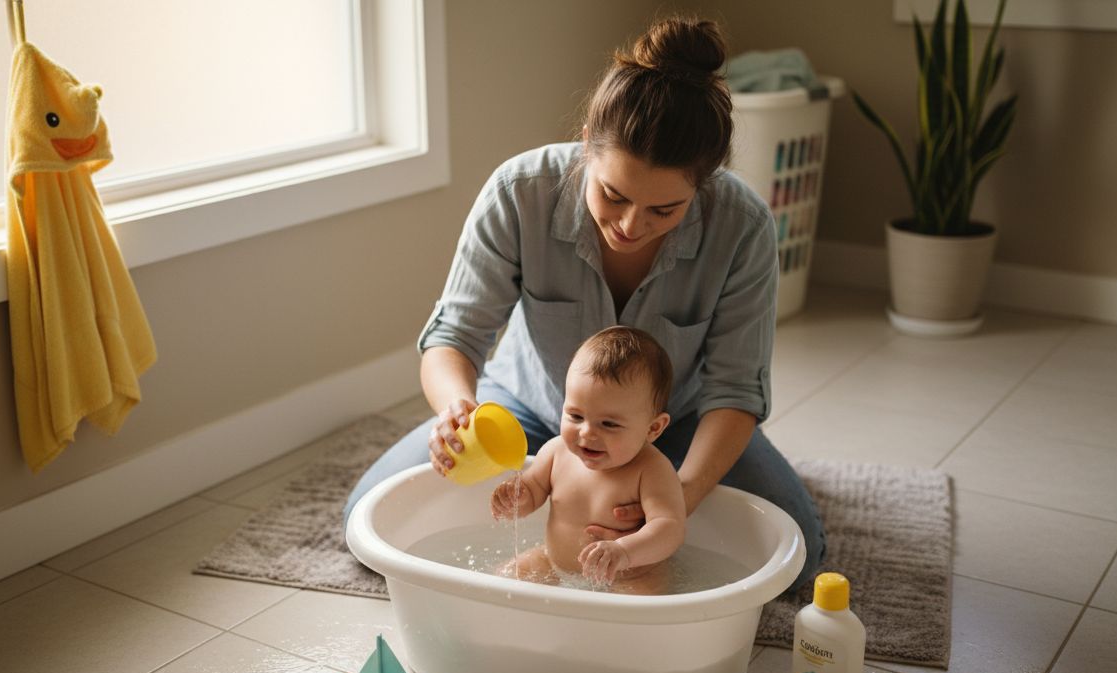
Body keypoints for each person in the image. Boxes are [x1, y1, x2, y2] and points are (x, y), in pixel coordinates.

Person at [344, 15, 825, 590]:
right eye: (612, 195)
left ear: (703, 186)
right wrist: (456, 409)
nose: (629, 225)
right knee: (366, 525)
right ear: (585, 149)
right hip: (526, 409)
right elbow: (455, 336)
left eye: (663, 211)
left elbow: (736, 391)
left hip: (674, 426)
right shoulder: (520, 192)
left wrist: (673, 501)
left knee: (801, 564)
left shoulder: (741, 226)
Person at [491, 327, 684, 594]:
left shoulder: (651, 470)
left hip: (630, 574)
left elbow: (669, 529)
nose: (587, 432)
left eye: (609, 423)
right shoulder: (556, 452)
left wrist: (624, 552)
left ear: (653, 429)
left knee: (640, 607)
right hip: (554, 563)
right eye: (576, 416)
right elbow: (532, 494)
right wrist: (516, 498)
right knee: (504, 578)